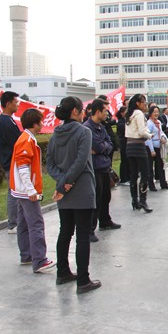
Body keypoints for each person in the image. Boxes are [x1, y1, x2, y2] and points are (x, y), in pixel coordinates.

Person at [47, 96, 101, 294]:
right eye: (82, 109)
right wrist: (66, 184)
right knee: (82, 236)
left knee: (65, 232)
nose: (84, 112)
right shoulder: (84, 132)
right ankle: (83, 280)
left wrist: (62, 183)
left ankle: (62, 273)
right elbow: (80, 162)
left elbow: (50, 164)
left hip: (64, 192)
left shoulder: (55, 134)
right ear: (75, 111)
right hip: (81, 189)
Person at [10, 108, 56, 273]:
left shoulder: (26, 138)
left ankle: (27, 255)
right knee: (36, 223)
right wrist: (31, 190)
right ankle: (40, 260)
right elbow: (23, 168)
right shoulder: (26, 140)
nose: (42, 124)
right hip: (26, 191)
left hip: (20, 190)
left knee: (23, 223)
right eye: (41, 121)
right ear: (35, 124)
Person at [83, 99, 121, 242]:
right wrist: (102, 147)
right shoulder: (87, 128)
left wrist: (102, 148)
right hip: (94, 168)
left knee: (106, 196)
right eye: (105, 111)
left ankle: (105, 221)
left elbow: (109, 143)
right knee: (95, 199)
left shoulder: (101, 126)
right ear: (98, 112)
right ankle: (90, 229)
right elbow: (98, 146)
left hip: (104, 165)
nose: (107, 114)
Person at [0, 91, 22, 234]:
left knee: (16, 191)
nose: (17, 105)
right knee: (13, 192)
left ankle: (17, 221)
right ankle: (12, 224)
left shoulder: (9, 120)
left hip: (13, 162)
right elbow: (16, 143)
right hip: (11, 163)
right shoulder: (5, 122)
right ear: (8, 104)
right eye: (16, 102)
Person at [125, 94, 153, 212]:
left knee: (133, 175)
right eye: (143, 102)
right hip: (139, 146)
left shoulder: (129, 114)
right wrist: (150, 135)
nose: (145, 104)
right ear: (138, 103)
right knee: (145, 174)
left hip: (129, 146)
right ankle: (143, 200)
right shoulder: (139, 114)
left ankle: (134, 201)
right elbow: (142, 132)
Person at [146, 105, 168, 191]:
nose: (156, 114)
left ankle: (163, 183)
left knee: (161, 165)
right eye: (154, 112)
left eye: (157, 112)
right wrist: (152, 150)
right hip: (150, 148)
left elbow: (160, 132)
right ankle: (151, 185)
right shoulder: (149, 123)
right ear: (150, 113)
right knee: (150, 167)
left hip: (158, 147)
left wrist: (162, 138)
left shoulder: (158, 122)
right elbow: (148, 137)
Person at [115, 107, 130, 185]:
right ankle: (123, 179)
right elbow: (123, 130)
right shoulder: (121, 122)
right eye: (125, 111)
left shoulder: (127, 120)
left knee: (128, 161)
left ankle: (128, 177)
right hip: (123, 143)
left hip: (128, 142)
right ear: (122, 113)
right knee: (124, 160)